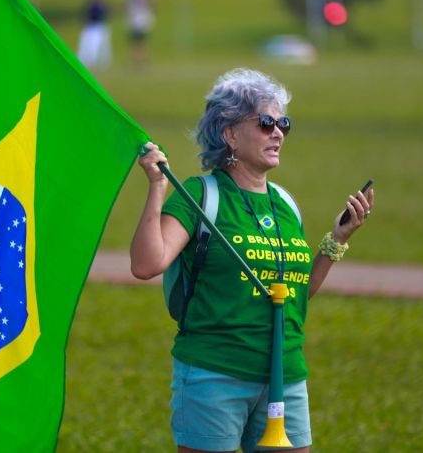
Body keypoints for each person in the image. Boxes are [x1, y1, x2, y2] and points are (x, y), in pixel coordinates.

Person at [130, 68, 374, 453]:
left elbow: (293, 296)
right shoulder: (199, 195)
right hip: (215, 376)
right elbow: (147, 264)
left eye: (283, 123)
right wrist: (157, 187)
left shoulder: (284, 204)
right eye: (265, 122)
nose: (277, 132)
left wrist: (336, 240)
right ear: (229, 133)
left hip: (286, 376)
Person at [77, 0, 111, 69]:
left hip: (98, 27)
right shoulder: (91, 7)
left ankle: (95, 60)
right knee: (89, 44)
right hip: (90, 27)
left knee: (95, 45)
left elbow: (103, 16)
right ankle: (88, 60)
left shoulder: (100, 7)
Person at [125, 0, 155, 65]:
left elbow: (150, 9)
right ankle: (138, 59)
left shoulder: (143, 0)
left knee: (141, 43)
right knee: (136, 43)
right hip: (135, 24)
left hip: (141, 24)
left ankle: (141, 59)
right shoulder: (132, 0)